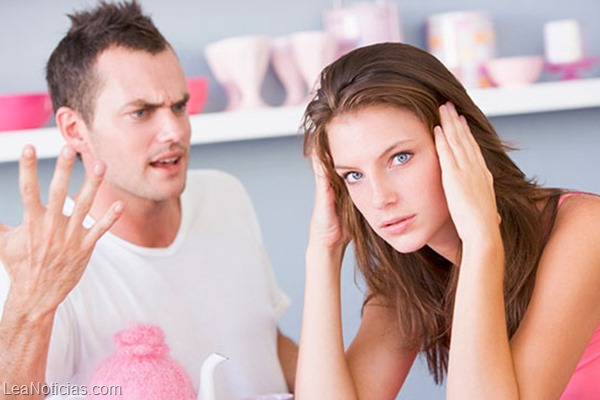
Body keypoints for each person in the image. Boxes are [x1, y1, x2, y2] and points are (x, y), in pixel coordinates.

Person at [0, 1, 297, 399]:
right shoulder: (43, 262)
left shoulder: (224, 194)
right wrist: (29, 308)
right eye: (141, 112)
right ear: (75, 130)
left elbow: (264, 344)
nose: (174, 130)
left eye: (179, 106)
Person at [295, 42, 600, 399]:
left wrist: (481, 238)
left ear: (461, 139)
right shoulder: (409, 272)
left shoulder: (584, 229)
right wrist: (323, 250)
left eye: (400, 157)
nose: (380, 199)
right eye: (353, 175)